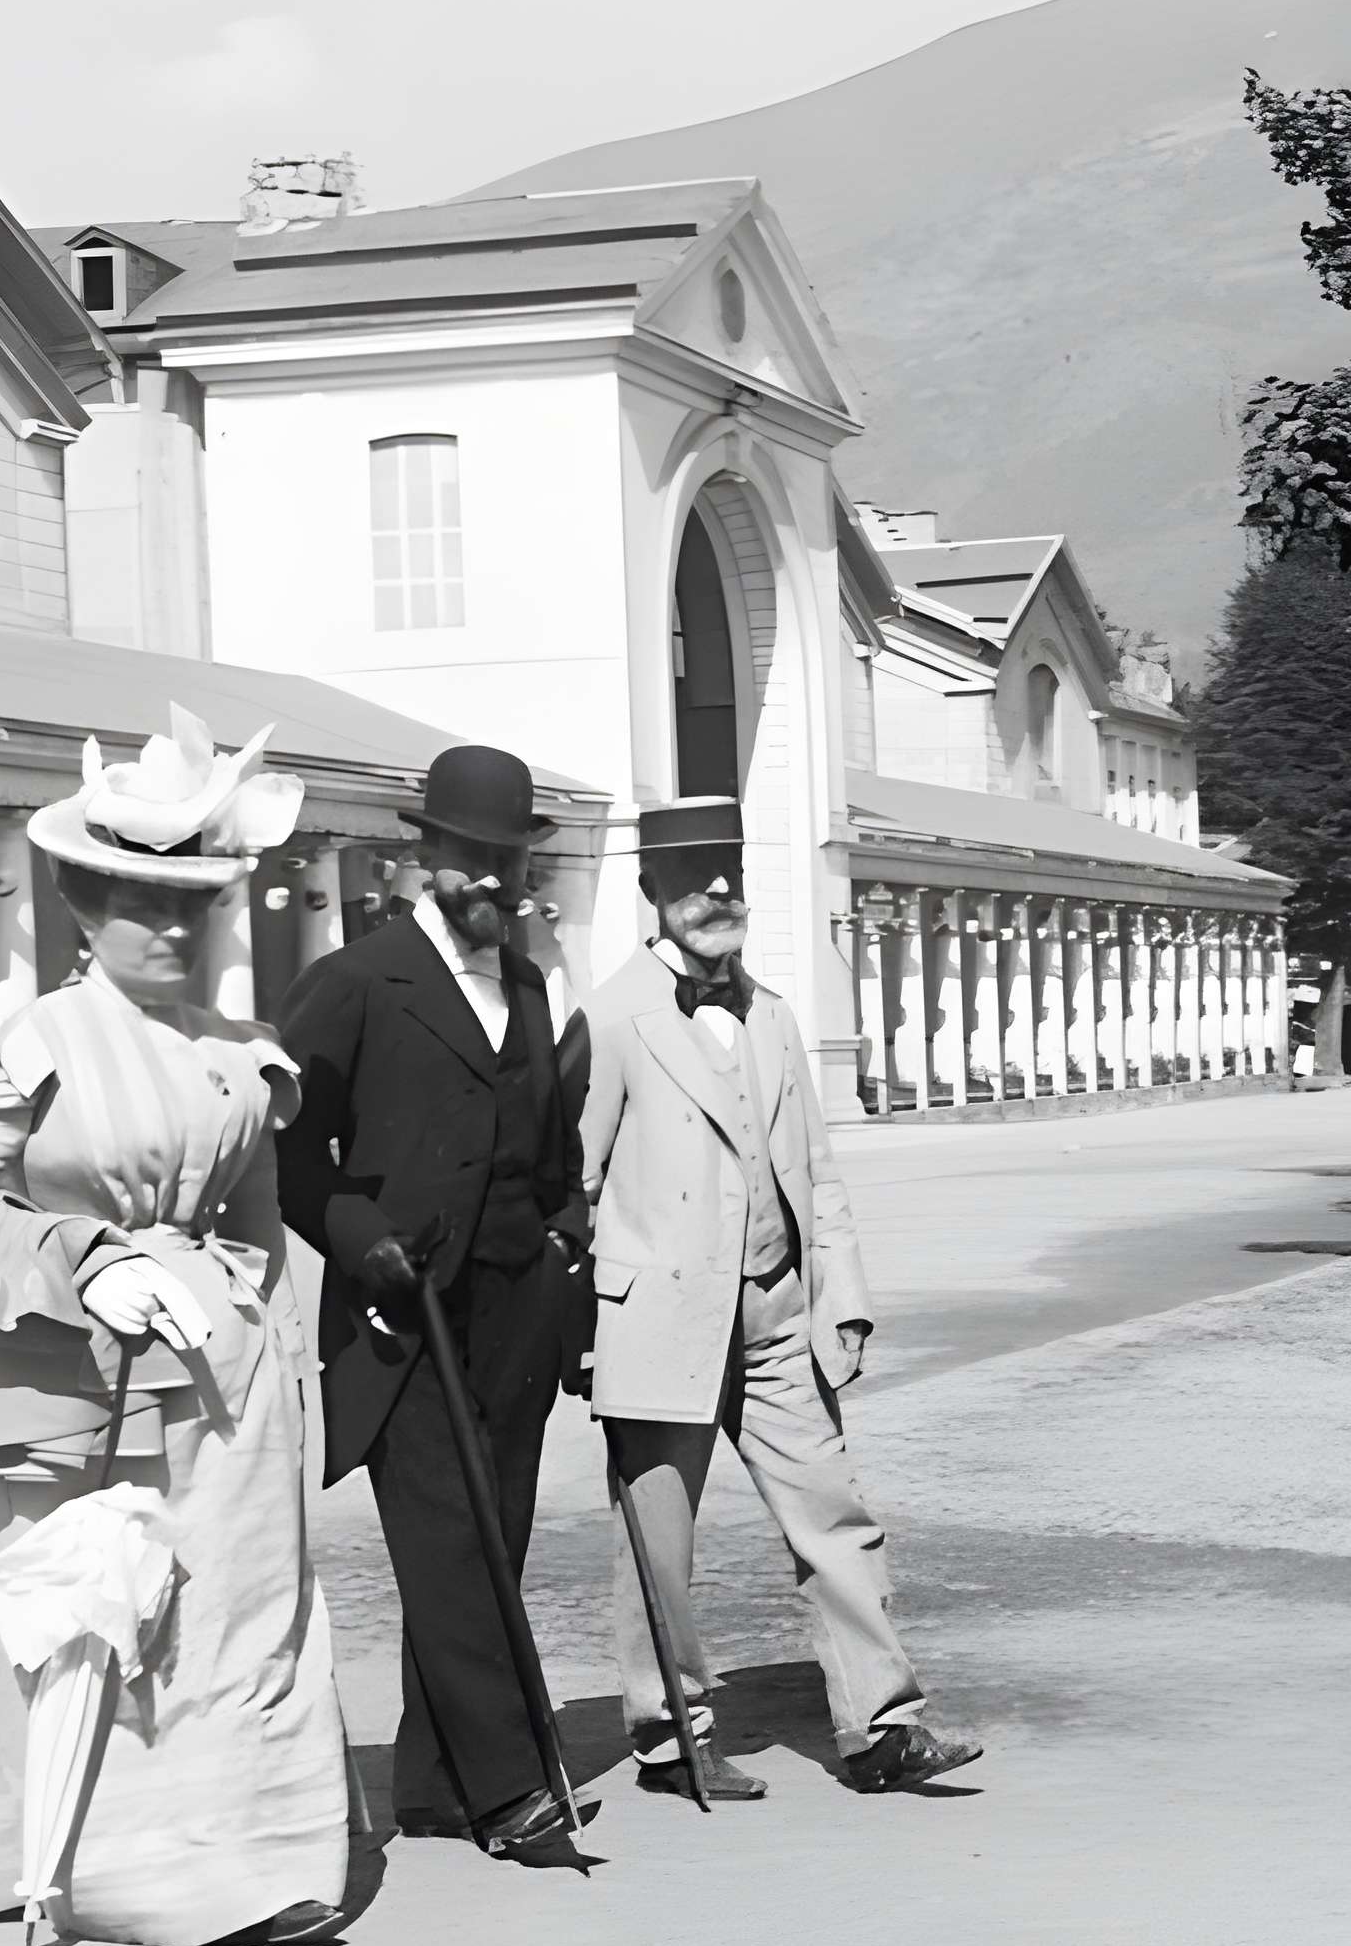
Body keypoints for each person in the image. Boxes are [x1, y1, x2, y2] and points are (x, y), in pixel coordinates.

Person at [0, 708, 348, 1946]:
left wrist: (246, 1316)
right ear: (78, 906)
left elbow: (262, 1222)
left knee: (235, 1610)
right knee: (89, 1611)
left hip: (225, 1387)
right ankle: (76, 1862)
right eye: (137, 901)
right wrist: (86, 1260)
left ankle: (240, 1873)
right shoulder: (29, 1039)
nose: (170, 925)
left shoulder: (246, 1054)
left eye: (194, 903)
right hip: (67, 1366)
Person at [577, 799, 982, 1798]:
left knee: (833, 1514)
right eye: (692, 878)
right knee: (659, 1546)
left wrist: (838, 1296)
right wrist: (584, 1330)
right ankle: (673, 1738)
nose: (717, 896)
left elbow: (817, 1169)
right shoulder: (608, 1018)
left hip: (773, 1317)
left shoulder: (772, 1013)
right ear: (651, 894)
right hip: (657, 1324)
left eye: (730, 876)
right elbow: (570, 1186)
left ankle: (882, 1726)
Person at [277, 746, 592, 1860]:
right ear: (424, 857)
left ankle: (434, 1782)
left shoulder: (529, 984)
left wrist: (562, 1244)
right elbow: (288, 1149)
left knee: (493, 1536)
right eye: (470, 859)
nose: (492, 881)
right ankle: (512, 1788)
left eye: (507, 860)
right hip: (399, 1316)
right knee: (445, 1541)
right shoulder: (356, 982)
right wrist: (362, 1244)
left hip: (513, 1311)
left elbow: (551, 1148)